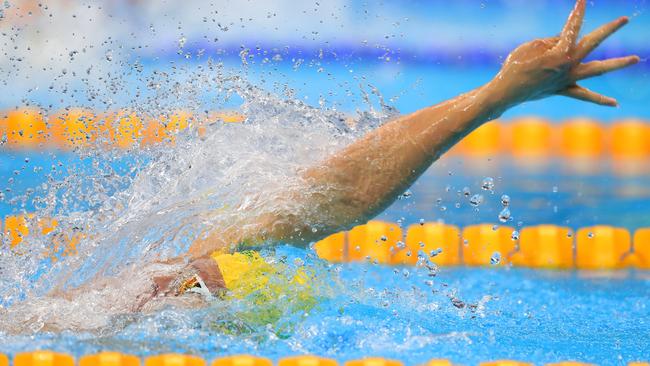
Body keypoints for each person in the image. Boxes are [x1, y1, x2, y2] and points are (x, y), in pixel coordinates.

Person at [147, 0, 639, 305]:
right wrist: (498, 95)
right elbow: (343, 195)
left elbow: (327, 200)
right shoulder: (167, 294)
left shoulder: (125, 303)